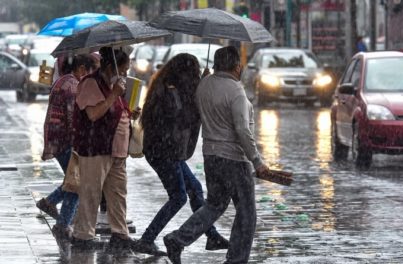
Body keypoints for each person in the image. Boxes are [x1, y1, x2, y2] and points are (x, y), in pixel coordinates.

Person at [163, 46, 270, 264]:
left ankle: (178, 239)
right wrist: (257, 161)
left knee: (214, 205)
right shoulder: (236, 91)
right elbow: (242, 129)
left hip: (211, 157)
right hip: (234, 159)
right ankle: (236, 260)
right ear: (236, 66)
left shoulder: (204, 85)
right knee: (246, 214)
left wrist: (204, 81)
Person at [133, 53, 229, 255]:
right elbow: (184, 118)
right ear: (185, 73)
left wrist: (200, 86)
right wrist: (200, 89)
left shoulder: (169, 87)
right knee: (178, 197)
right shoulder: (171, 92)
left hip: (167, 151)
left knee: (194, 188)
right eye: (193, 72)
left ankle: (211, 236)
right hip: (164, 152)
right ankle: (147, 239)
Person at [70, 47, 139, 250]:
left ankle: (120, 233)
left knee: (118, 194)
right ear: (111, 67)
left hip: (117, 150)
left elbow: (114, 110)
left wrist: (129, 112)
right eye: (123, 70)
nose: (125, 74)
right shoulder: (91, 84)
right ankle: (83, 235)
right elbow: (94, 114)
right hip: (96, 147)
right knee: (91, 192)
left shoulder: (112, 85)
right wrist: (115, 94)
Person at [37, 54, 98, 240]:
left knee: (74, 180)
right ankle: (61, 223)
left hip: (58, 139)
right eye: (89, 72)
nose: (90, 77)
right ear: (81, 69)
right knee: (76, 183)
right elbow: (73, 119)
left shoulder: (63, 81)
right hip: (66, 141)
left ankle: (50, 204)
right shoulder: (72, 85)